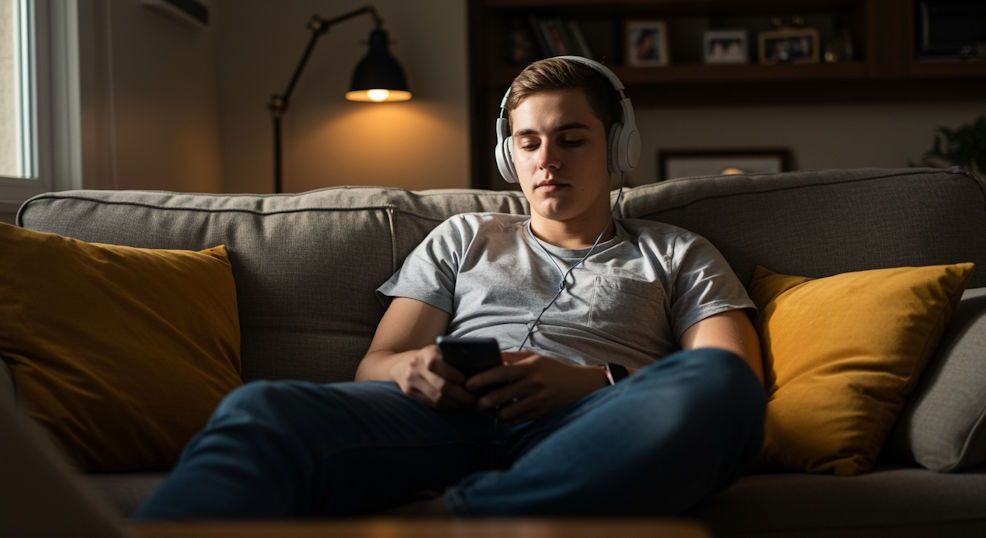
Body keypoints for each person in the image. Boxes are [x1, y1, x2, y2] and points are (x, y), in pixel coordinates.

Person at [134, 56, 766, 520]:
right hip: (446, 418)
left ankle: (464, 517)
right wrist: (415, 368)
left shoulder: (676, 251)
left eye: (572, 140)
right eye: (530, 142)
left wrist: (590, 382)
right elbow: (373, 366)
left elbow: (731, 373)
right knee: (260, 407)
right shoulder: (464, 236)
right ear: (508, 156)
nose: (548, 160)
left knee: (721, 389)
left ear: (618, 148)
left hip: (594, 428)